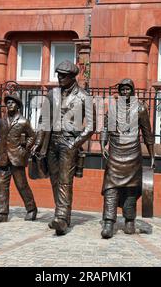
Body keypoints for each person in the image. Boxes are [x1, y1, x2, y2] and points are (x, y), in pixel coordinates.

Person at [32, 60, 94, 235]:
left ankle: (60, 217)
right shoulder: (53, 94)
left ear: (72, 77)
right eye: (58, 74)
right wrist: (37, 142)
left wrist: (75, 144)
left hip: (69, 142)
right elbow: (43, 120)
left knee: (65, 181)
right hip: (51, 142)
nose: (59, 78)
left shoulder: (84, 97)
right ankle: (63, 216)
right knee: (55, 179)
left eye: (63, 75)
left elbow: (91, 127)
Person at [100, 78, 155, 239]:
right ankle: (108, 222)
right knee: (111, 187)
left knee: (131, 188)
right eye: (122, 90)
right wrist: (103, 144)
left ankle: (129, 219)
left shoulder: (141, 108)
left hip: (132, 153)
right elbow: (106, 128)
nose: (125, 92)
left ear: (133, 90)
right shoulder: (113, 108)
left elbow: (147, 134)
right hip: (115, 152)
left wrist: (152, 155)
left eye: (127, 89)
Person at [0, 91, 38, 223]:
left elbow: (33, 136)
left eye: (12, 102)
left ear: (18, 106)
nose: (9, 105)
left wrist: (25, 149)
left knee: (22, 185)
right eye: (8, 103)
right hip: (3, 158)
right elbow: (0, 140)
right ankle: (2, 213)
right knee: (1, 184)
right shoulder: (2, 121)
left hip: (17, 158)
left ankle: (31, 209)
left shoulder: (23, 121)